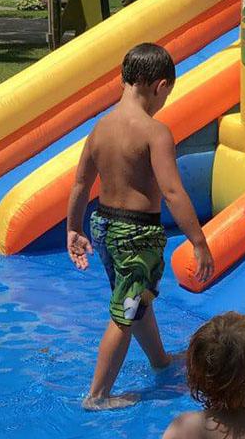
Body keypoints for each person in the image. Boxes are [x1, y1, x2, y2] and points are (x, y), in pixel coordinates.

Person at [67, 43, 214, 411]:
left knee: (136, 297)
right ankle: (97, 396)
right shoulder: (154, 132)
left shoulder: (99, 128)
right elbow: (172, 190)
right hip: (137, 234)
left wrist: (73, 228)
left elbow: (81, 185)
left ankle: (160, 361)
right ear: (160, 86)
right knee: (125, 311)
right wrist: (198, 240)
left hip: (102, 226)